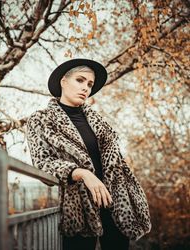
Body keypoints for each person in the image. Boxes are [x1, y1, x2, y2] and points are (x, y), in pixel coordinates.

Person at [26, 58, 151, 250]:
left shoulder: (98, 121)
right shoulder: (41, 120)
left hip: (115, 204)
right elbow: (43, 163)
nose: (86, 87)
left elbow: (116, 163)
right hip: (78, 207)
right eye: (80, 80)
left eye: (90, 84)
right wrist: (82, 173)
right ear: (63, 81)